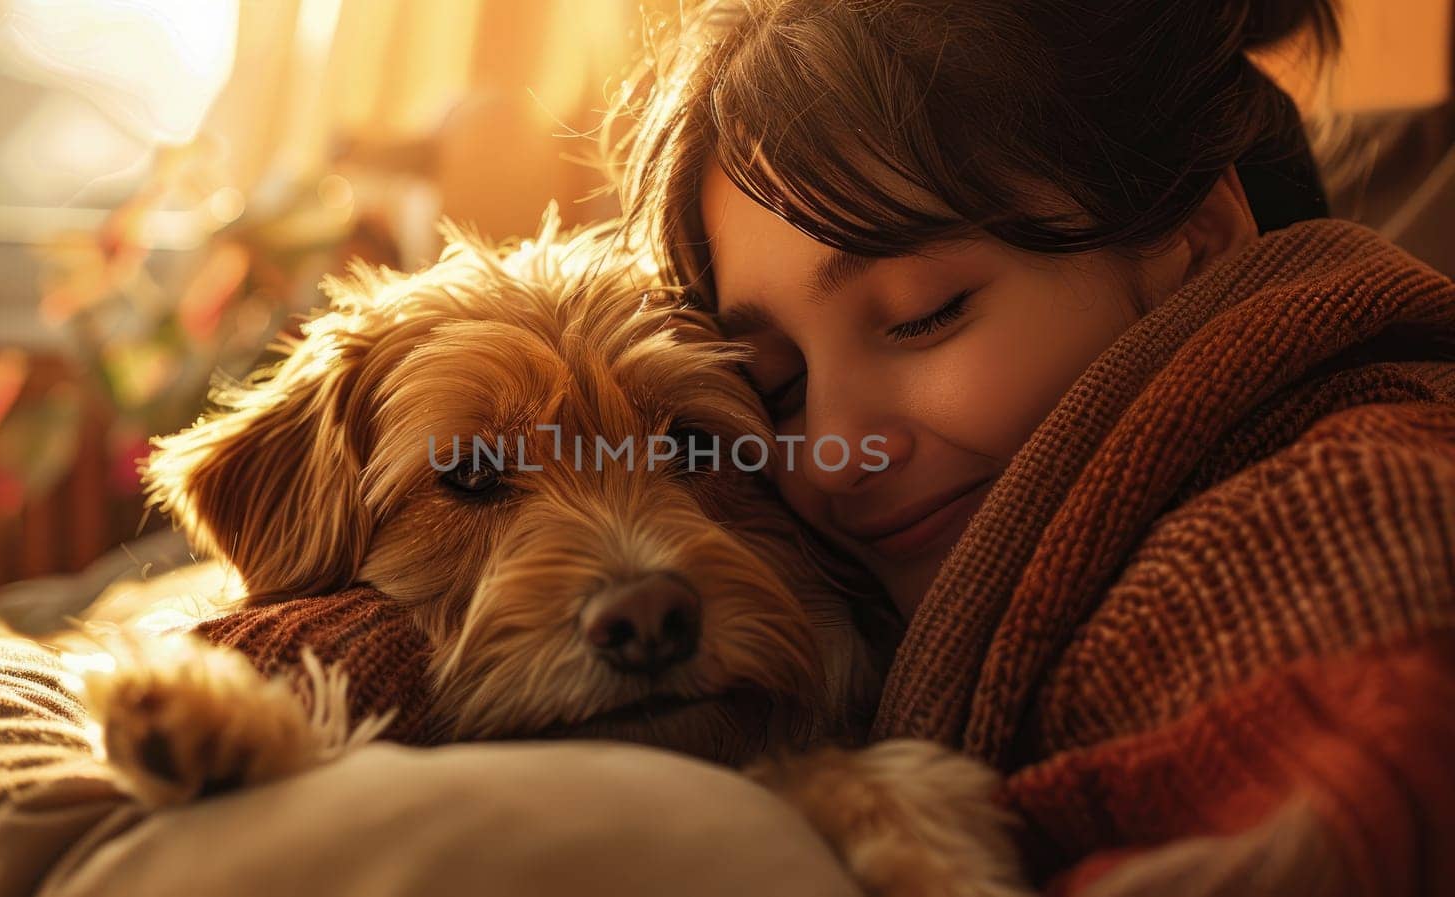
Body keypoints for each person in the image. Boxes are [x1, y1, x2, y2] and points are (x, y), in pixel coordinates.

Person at [613, 1, 1455, 894]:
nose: (831, 452)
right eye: (778, 386)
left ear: (1193, 239)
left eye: (921, 316)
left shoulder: (1349, 521)